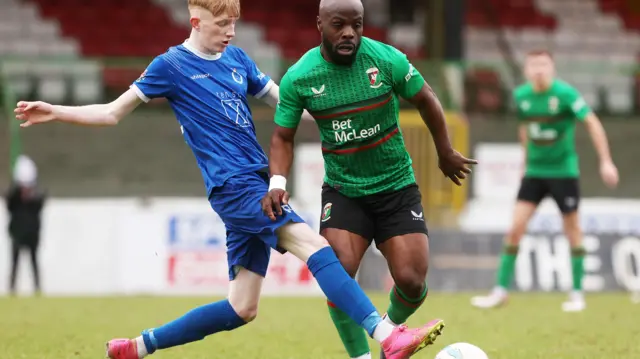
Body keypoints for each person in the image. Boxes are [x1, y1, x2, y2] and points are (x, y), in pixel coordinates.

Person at [13, 1, 442, 358]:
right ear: (196, 21)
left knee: (242, 307)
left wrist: (349, 111)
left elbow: (288, 101)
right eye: (222, 24)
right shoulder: (171, 66)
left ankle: (138, 348)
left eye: (234, 22)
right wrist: (58, 112)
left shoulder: (237, 59)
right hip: (236, 188)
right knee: (315, 246)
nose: (231, 32)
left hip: (252, 179)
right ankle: (387, 337)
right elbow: (112, 112)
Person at [260, 0, 476, 358]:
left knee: (412, 281)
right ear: (320, 24)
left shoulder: (386, 59)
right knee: (339, 276)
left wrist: (445, 151)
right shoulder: (301, 76)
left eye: (356, 25)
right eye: (339, 25)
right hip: (345, 191)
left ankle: (389, 336)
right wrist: (277, 184)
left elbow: (426, 98)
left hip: (396, 186)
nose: (349, 33)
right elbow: (283, 137)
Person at [470, 50, 619, 312]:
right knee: (515, 228)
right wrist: (525, 162)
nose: (539, 69)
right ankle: (500, 291)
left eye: (544, 64)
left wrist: (605, 160)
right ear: (527, 70)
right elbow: (525, 128)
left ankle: (576, 293)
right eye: (534, 65)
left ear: (552, 69)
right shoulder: (521, 96)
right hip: (535, 173)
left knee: (572, 230)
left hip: (563, 172)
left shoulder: (566, 95)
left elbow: (592, 123)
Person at [5, 155, 46, 296]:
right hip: (17, 233)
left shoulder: (36, 197)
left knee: (33, 262)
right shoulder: (15, 197)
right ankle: (12, 288)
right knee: (15, 263)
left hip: (32, 234)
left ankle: (37, 287)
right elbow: (9, 204)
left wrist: (30, 197)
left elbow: (40, 204)